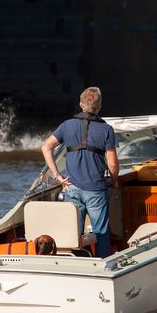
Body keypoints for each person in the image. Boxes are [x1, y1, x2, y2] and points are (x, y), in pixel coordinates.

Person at [41, 86, 120, 258]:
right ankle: (101, 264)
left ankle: (76, 262)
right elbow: (113, 164)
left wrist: (58, 176)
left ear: (80, 104)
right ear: (99, 107)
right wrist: (114, 182)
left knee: (73, 233)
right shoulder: (107, 130)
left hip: (71, 187)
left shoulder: (67, 125)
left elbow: (46, 147)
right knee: (101, 233)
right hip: (96, 190)